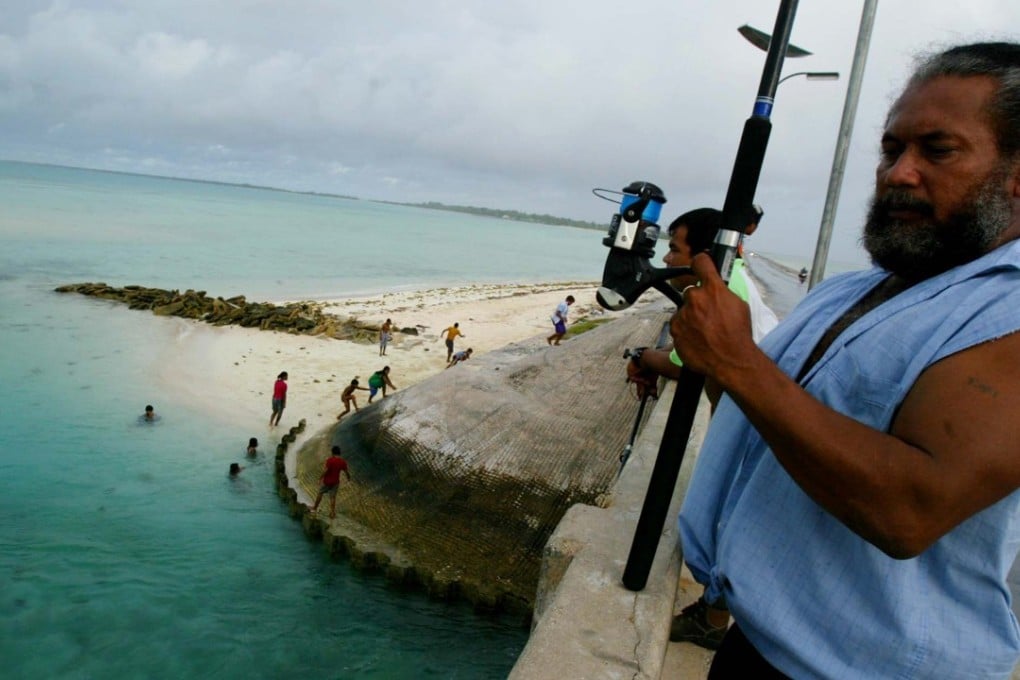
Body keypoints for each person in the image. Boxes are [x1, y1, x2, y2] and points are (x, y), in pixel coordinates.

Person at [669, 43, 1020, 677]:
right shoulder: (849, 290)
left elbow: (910, 511)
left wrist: (739, 362)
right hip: (757, 640)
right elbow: (762, 425)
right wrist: (709, 360)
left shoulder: (1008, 309)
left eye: (937, 151)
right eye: (892, 149)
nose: (899, 173)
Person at [626, 207, 777, 404]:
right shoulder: (731, 277)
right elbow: (685, 347)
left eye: (674, 250)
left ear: (703, 258)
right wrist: (643, 355)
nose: (666, 259)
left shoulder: (718, 293)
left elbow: (681, 366)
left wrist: (642, 358)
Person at [309, 445, 351, 519]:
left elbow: (326, 470)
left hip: (327, 481)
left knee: (320, 493)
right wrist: (348, 478)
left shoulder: (330, 460)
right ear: (339, 453)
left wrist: (320, 478)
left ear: (333, 453)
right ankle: (332, 512)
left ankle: (314, 508)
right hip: (335, 482)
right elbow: (346, 471)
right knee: (332, 497)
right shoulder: (342, 462)